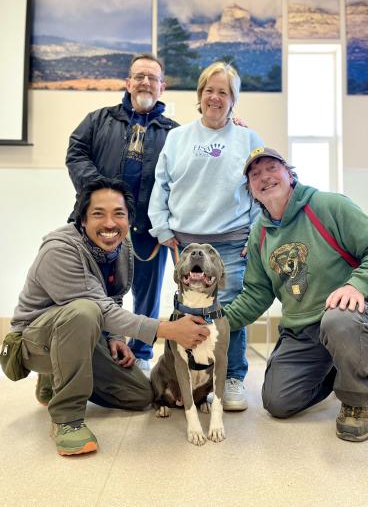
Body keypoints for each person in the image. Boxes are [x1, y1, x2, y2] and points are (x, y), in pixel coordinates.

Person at [10, 178, 209, 456]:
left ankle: (57, 378)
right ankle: (66, 419)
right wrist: (169, 329)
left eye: (119, 214)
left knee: (140, 395)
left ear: (128, 219)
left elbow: (113, 296)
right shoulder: (60, 249)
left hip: (81, 335)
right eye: (98, 214)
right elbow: (97, 308)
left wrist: (115, 337)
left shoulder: (120, 248)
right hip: (34, 342)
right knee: (84, 310)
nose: (109, 224)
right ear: (82, 218)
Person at [224, 146, 368, 441]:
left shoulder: (329, 205)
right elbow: (256, 294)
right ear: (251, 192)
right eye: (255, 175)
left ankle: (356, 401)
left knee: (338, 322)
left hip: (354, 314)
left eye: (271, 168)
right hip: (302, 331)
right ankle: (338, 369)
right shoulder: (259, 234)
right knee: (277, 403)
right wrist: (217, 323)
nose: (264, 177)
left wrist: (356, 285)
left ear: (290, 174)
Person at [148, 61, 264, 411]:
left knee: (228, 315)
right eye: (209, 90)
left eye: (224, 92)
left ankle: (231, 378)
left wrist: (256, 234)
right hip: (185, 242)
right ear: (200, 96)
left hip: (230, 241)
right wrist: (162, 227)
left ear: (233, 100)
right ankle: (186, 377)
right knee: (187, 311)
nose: (215, 97)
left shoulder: (248, 139)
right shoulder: (178, 137)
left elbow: (260, 188)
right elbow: (162, 185)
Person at [66, 53, 178, 376]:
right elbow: (76, 152)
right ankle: (99, 347)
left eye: (152, 78)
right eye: (139, 76)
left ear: (162, 87)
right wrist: (100, 192)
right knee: (96, 289)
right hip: (101, 225)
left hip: (148, 228)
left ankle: (142, 353)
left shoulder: (176, 133)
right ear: (127, 83)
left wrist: (234, 122)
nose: (145, 82)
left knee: (148, 292)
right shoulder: (98, 120)